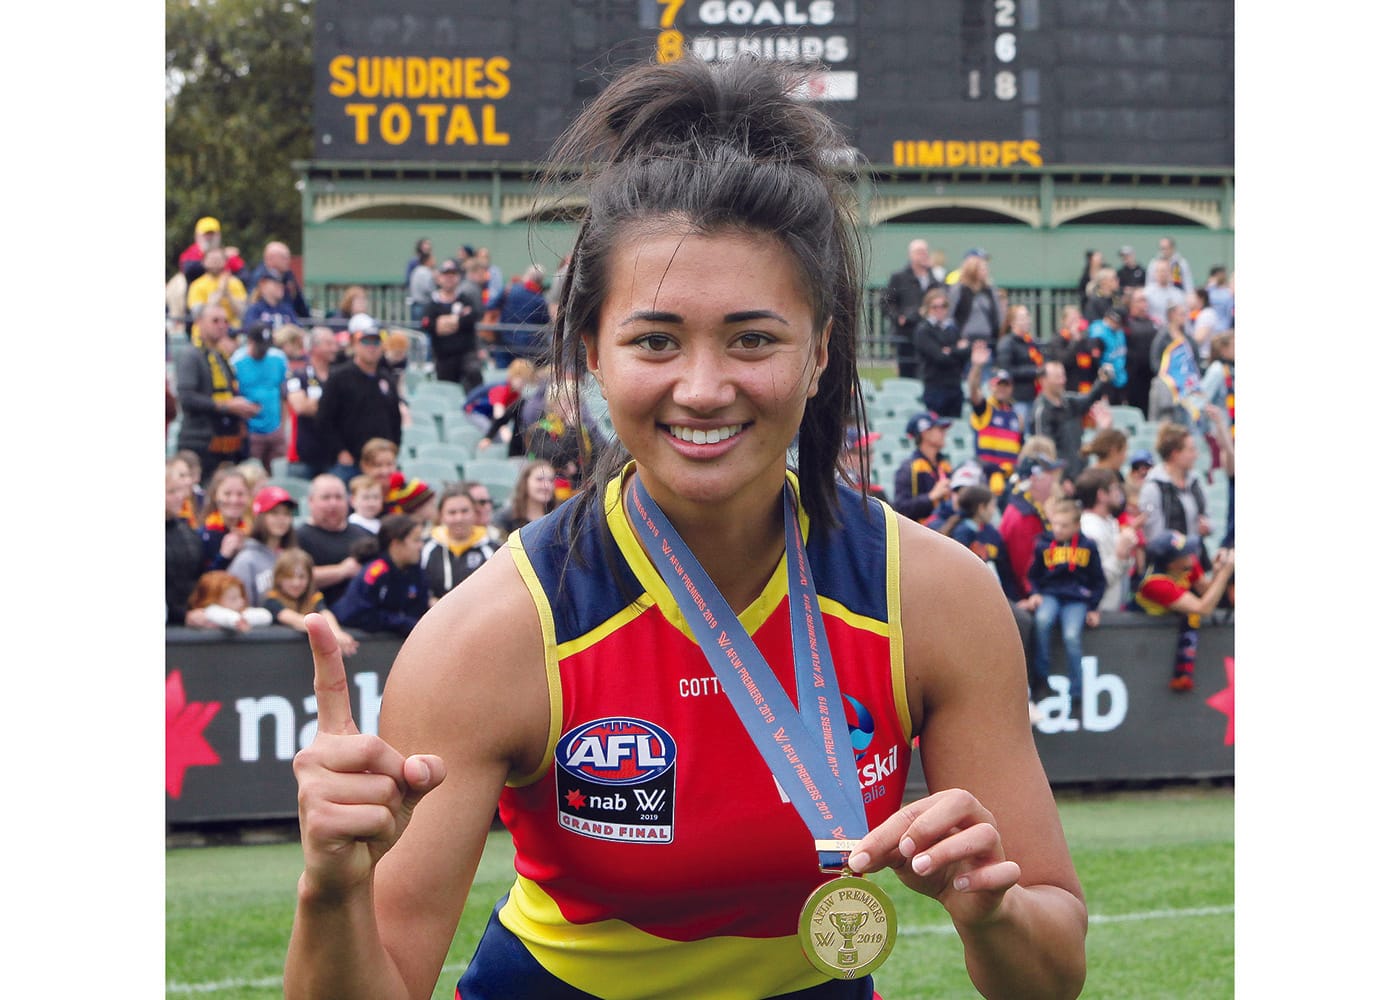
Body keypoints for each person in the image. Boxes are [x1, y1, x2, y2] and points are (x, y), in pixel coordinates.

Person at [284, 55, 1086, 1000]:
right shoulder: (489, 636)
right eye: (655, 340)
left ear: (822, 348)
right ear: (592, 352)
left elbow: (1051, 973)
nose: (703, 390)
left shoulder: (937, 597)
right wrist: (331, 889)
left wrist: (990, 908)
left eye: (753, 338)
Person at [1023, 498, 1106, 708]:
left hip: (1077, 599)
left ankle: (1076, 691)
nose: (1058, 529)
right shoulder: (1043, 543)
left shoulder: (1088, 546)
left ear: (1077, 525)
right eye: (1055, 524)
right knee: (1042, 622)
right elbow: (1032, 575)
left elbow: (1099, 580)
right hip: (1050, 594)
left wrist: (1094, 607)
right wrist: (1034, 593)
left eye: (1064, 525)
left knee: (1071, 636)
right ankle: (1041, 680)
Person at [1135, 531, 1235, 692]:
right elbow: (1203, 608)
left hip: (1177, 622)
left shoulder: (1188, 563)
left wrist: (1217, 571)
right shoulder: (1154, 583)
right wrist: (1225, 574)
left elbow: (1206, 591)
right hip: (1145, 636)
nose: (1192, 555)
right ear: (1171, 564)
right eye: (1185, 553)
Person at [174, 303, 260, 481]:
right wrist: (227, 406)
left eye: (225, 321)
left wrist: (243, 407)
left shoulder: (222, 356)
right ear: (199, 323)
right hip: (199, 443)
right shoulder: (190, 354)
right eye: (215, 321)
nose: (222, 325)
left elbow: (229, 392)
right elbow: (187, 398)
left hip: (226, 443)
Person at [318, 320, 403, 486]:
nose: (371, 347)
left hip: (382, 465)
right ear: (355, 345)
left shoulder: (386, 379)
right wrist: (340, 452)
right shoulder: (339, 377)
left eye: (376, 342)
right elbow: (324, 420)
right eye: (365, 341)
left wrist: (393, 452)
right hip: (350, 462)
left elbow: (395, 420)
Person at [329, 513, 430, 638]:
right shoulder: (376, 572)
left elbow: (420, 606)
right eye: (416, 540)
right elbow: (361, 614)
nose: (421, 546)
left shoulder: (415, 571)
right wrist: (402, 623)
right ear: (396, 544)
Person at [294, 474, 376, 608]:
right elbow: (292, 577)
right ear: (311, 501)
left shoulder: (364, 534)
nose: (333, 503)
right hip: (319, 612)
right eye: (326, 498)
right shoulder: (298, 536)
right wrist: (341, 571)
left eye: (338, 497)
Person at [263, 549, 359, 657]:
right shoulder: (271, 599)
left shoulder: (313, 596)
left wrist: (337, 632)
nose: (296, 583)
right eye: (289, 577)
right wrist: (329, 634)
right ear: (278, 578)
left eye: (302, 577)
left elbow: (325, 613)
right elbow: (291, 618)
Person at [1029, 360, 1114, 480]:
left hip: (1079, 469)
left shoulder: (1069, 402)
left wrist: (1102, 380)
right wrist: (1062, 478)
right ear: (1043, 381)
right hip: (1059, 477)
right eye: (1057, 377)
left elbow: (1089, 399)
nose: (1062, 381)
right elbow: (1044, 451)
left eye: (1063, 376)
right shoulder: (1041, 411)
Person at [420, 482, 502, 605]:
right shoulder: (425, 548)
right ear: (441, 516)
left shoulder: (493, 549)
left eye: (465, 511)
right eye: (452, 513)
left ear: (474, 513)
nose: (459, 518)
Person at [998, 455, 1064, 601]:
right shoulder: (1025, 517)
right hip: (1027, 599)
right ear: (1035, 479)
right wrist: (1032, 595)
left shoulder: (1027, 507)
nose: (1055, 481)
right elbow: (1025, 568)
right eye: (1050, 475)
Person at [1074, 467, 1139, 613]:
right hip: (1098, 614)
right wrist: (1120, 556)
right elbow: (1096, 580)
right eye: (1115, 489)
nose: (1119, 494)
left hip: (1114, 609)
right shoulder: (1089, 529)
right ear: (1102, 495)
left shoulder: (1109, 521)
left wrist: (1127, 552)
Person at [1139, 422, 1210, 553]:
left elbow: (1207, 517)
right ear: (1175, 454)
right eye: (1191, 450)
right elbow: (1154, 537)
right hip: (1168, 562)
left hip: (1194, 558)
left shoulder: (1195, 481)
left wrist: (1206, 526)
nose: (1196, 455)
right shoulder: (1153, 487)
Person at [227, 485, 301, 607]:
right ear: (260, 517)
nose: (281, 519)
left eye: (287, 514)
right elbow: (240, 607)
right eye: (274, 513)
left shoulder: (293, 555)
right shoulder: (246, 560)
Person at [965, 340, 1023, 497]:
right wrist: (977, 367)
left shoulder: (1016, 416)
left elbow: (1021, 447)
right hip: (987, 475)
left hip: (1009, 477)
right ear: (991, 386)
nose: (1002, 389)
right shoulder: (986, 409)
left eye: (1006, 385)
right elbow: (973, 390)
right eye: (999, 384)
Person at [232, 323, 289, 475]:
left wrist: (282, 426)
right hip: (251, 429)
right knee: (252, 475)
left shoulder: (278, 358)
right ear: (250, 341)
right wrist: (242, 428)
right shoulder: (237, 361)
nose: (263, 350)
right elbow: (234, 397)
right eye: (260, 346)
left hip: (275, 426)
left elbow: (283, 394)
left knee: (277, 473)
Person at [420, 258, 485, 391]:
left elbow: (471, 318)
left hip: (466, 355)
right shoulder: (432, 304)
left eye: (453, 275)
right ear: (439, 278)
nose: (449, 278)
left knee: (474, 378)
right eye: (446, 275)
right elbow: (429, 325)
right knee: (446, 390)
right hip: (443, 357)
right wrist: (456, 320)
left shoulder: (465, 299)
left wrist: (445, 322)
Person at [284, 326, 341, 479]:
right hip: (302, 458)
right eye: (329, 344)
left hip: (332, 457)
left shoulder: (339, 376)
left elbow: (347, 408)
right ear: (314, 347)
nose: (334, 348)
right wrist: (331, 406)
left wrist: (315, 404)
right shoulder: (298, 375)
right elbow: (300, 407)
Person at [167, 456, 216, 628]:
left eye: (179, 491)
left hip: (191, 619)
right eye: (171, 492)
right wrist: (181, 615)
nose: (180, 497)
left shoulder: (188, 532)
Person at [882, 238, 939, 379]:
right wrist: (898, 317)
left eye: (925, 251)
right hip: (907, 333)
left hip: (929, 332)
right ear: (911, 255)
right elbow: (885, 302)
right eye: (919, 252)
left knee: (928, 371)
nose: (924, 255)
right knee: (907, 373)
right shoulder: (899, 277)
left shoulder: (933, 278)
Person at [911, 287, 969, 417]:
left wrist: (951, 351)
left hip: (955, 386)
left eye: (943, 306)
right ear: (928, 308)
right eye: (935, 307)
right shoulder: (923, 330)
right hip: (935, 386)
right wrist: (957, 350)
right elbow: (939, 357)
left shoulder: (952, 328)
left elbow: (966, 352)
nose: (939, 310)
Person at [890, 410, 953, 527]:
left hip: (945, 530)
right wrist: (931, 497)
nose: (944, 433)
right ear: (925, 433)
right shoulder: (908, 468)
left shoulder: (945, 465)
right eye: (940, 429)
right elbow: (901, 508)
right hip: (921, 534)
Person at [487, 264, 551, 367]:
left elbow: (491, 306)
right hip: (529, 347)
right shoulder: (540, 300)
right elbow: (546, 321)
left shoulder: (509, 290)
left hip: (505, 342)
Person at [995, 304, 1043, 428]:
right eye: (1022, 318)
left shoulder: (1031, 342)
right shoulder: (1007, 343)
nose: (1026, 320)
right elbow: (1006, 370)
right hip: (1017, 398)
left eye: (1027, 316)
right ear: (1012, 322)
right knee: (1019, 432)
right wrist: (1033, 372)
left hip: (1033, 396)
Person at [197, 465, 252, 573]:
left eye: (240, 494)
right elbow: (202, 581)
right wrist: (223, 556)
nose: (234, 500)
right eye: (227, 494)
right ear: (215, 496)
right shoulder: (202, 536)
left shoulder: (252, 532)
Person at [479, 357, 539, 456]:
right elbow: (499, 413)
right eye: (521, 379)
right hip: (477, 411)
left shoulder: (520, 395)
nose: (523, 384)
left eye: (526, 381)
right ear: (512, 376)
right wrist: (502, 431)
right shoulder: (502, 388)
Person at [944, 249, 1003, 346]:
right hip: (965, 340)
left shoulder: (990, 290)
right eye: (982, 269)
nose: (986, 271)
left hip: (988, 339)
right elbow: (950, 315)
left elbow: (998, 314)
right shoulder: (959, 289)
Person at [186, 570, 274, 633]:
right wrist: (236, 621)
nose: (241, 601)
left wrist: (243, 619)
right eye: (233, 598)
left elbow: (266, 616)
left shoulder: (241, 613)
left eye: (241, 596)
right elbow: (217, 613)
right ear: (214, 600)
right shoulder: (210, 612)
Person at [185, 246, 248, 331]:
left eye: (218, 259)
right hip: (205, 334)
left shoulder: (235, 283)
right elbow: (198, 315)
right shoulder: (197, 285)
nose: (215, 262)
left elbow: (243, 313)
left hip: (232, 332)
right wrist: (220, 291)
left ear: (225, 261)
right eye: (211, 259)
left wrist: (228, 294)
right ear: (203, 262)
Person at [492, 458, 560, 535]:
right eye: (539, 479)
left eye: (551, 480)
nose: (547, 485)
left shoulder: (559, 518)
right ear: (525, 482)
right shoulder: (504, 519)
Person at [246, 240, 311, 319]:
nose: (288, 261)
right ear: (270, 258)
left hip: (289, 319)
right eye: (284, 258)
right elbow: (253, 301)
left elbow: (300, 303)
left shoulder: (289, 276)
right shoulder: (259, 277)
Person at [1121, 288, 1160, 416]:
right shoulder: (1126, 323)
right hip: (1132, 376)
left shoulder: (1155, 323)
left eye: (1145, 301)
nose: (1143, 304)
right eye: (1139, 300)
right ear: (1131, 303)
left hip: (1151, 374)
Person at [178, 216, 246, 284]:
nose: (209, 238)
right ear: (197, 235)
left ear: (219, 235)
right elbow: (188, 271)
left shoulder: (227, 254)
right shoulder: (191, 253)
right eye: (206, 234)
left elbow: (245, 276)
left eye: (212, 234)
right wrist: (215, 260)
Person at [1142, 259, 1187, 328]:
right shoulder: (1146, 293)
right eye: (1159, 271)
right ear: (1155, 273)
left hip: (1173, 332)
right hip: (1153, 331)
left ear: (1170, 273)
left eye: (1164, 271)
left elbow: (1184, 316)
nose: (1162, 274)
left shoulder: (1178, 294)